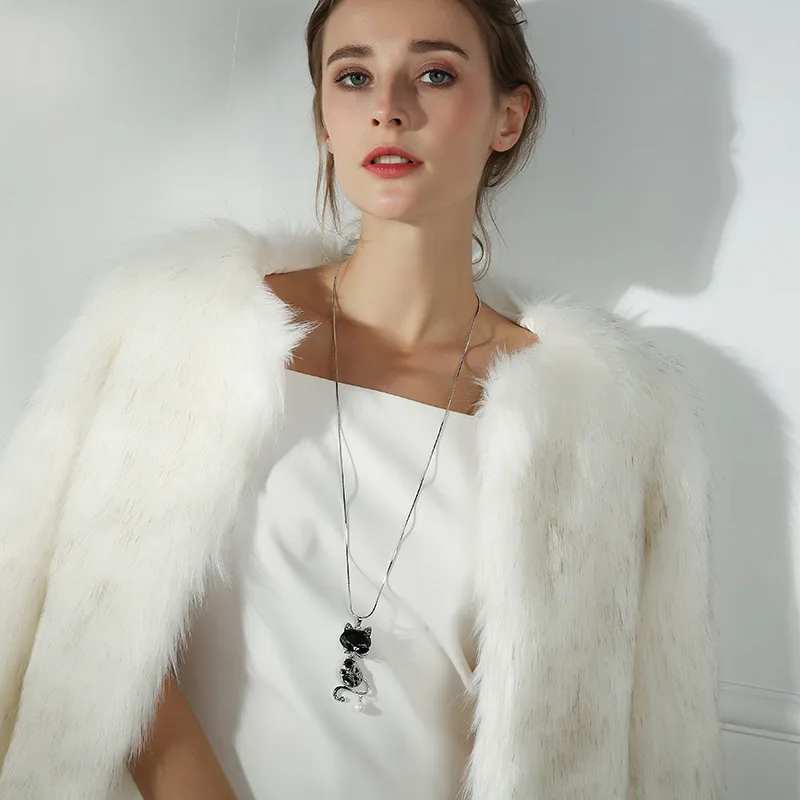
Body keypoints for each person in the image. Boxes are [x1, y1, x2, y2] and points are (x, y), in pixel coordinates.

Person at [0, 0, 724, 798]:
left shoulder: (601, 422)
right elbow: (94, 632)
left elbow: (624, 734)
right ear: (323, 118)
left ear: (507, 117)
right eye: (353, 77)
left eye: (435, 74)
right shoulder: (187, 332)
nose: (389, 107)